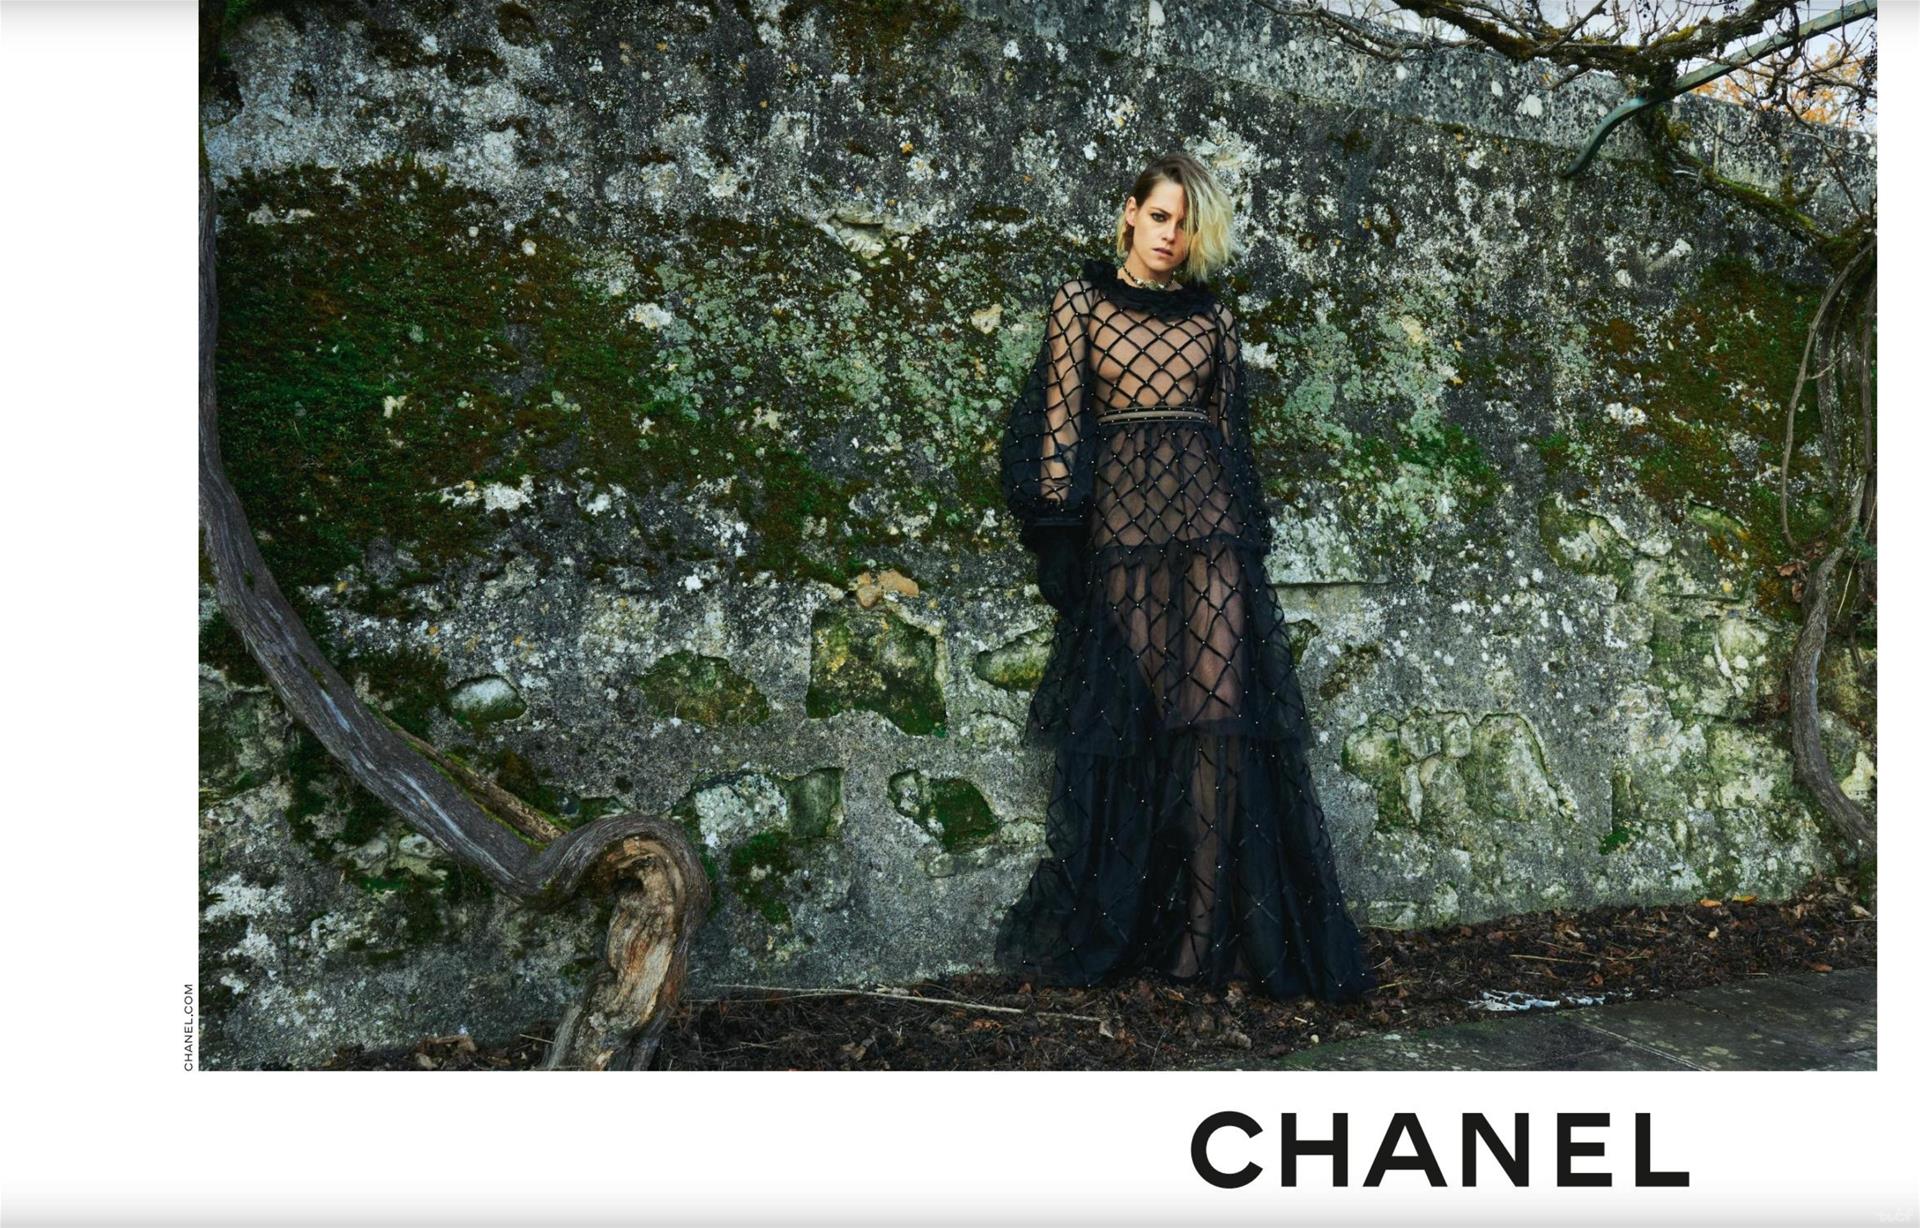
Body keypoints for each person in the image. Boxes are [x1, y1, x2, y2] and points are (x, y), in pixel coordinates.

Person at [995, 151, 1377, 1003]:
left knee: (1217, 723)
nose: (1170, 235)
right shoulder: (1080, 301)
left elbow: (1229, 438)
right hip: (1124, 533)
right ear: (1130, 213)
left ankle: (1205, 938)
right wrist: (1058, 532)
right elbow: (1060, 422)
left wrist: (1248, 541)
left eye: (1185, 224)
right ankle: (1140, 921)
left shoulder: (1213, 319)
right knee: (1146, 719)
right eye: (1159, 216)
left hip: (1210, 529)